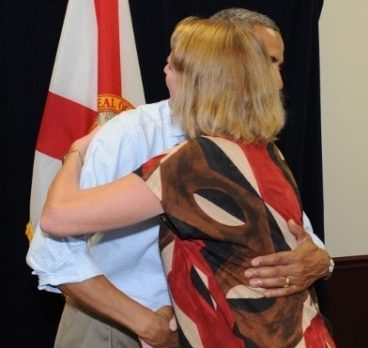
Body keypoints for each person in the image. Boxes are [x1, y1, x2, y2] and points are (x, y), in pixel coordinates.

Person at [26, 8, 332, 348]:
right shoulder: (136, 134)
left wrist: (75, 153)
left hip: (220, 330)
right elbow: (50, 248)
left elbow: (299, 237)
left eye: (274, 63)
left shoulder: (197, 159)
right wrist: (143, 323)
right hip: (119, 324)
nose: (276, 80)